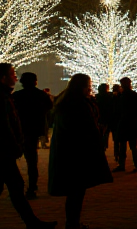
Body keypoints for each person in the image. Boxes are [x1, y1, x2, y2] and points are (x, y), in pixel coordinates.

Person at [0, 63, 57, 229]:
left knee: (8, 189)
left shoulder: (0, 94)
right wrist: (14, 146)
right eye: (12, 74)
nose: (15, 77)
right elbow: (1, 125)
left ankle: (31, 222)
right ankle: (27, 223)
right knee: (0, 190)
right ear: (3, 77)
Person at [48, 73, 113, 229]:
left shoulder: (66, 101)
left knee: (75, 191)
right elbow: (86, 127)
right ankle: (72, 223)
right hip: (78, 153)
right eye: (88, 85)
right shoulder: (78, 104)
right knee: (76, 191)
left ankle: (72, 221)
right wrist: (98, 133)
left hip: (69, 151)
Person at [13, 71, 53, 199]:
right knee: (32, 161)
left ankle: (21, 187)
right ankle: (31, 186)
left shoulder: (17, 96)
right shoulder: (41, 95)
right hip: (34, 129)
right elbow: (49, 108)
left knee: (15, 160)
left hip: (20, 129)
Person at [112, 77, 137, 172]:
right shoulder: (134, 95)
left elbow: (118, 110)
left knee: (123, 145)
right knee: (133, 146)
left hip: (124, 123)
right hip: (132, 123)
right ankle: (135, 165)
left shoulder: (122, 96)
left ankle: (122, 165)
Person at [94, 83, 114, 151]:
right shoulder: (109, 97)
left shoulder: (96, 97)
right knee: (105, 133)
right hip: (107, 118)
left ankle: (101, 146)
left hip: (99, 118)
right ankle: (104, 146)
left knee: (100, 133)